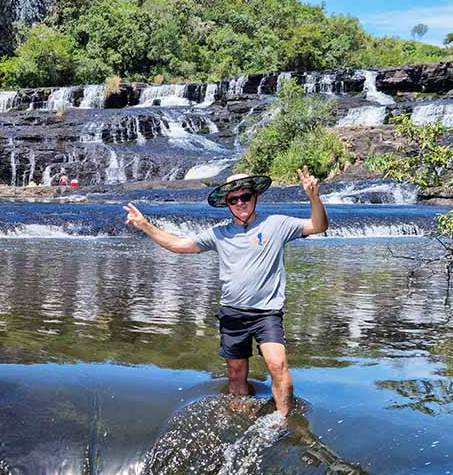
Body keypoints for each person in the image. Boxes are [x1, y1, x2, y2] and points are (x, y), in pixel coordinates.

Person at [124, 167, 328, 417]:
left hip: (267, 313)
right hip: (232, 314)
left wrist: (314, 197)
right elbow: (178, 245)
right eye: (234, 199)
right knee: (235, 373)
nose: (240, 203)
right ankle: (241, 417)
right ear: (227, 204)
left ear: (255, 197)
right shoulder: (218, 234)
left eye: (245, 197)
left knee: (278, 365)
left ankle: (283, 421)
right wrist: (144, 225)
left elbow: (318, 226)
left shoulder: (277, 224)